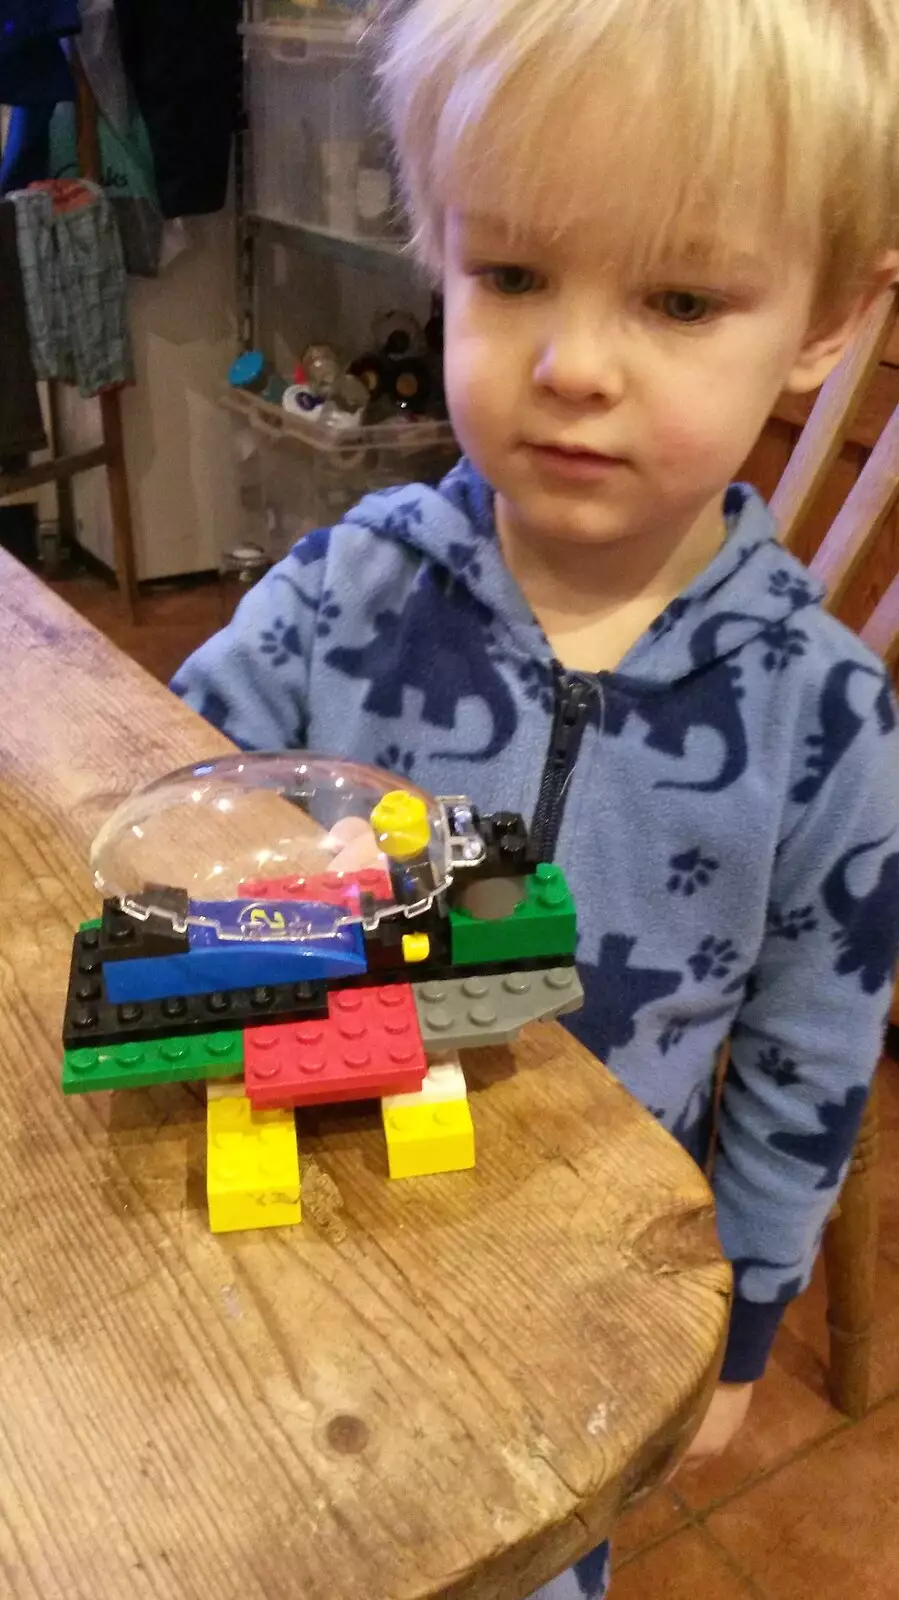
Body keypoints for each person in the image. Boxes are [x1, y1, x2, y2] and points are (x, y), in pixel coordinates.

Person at [172, 1, 899, 1592]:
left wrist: (743, 1320)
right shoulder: (340, 594)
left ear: (825, 322)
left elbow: (810, 1054)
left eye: (680, 296)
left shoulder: (824, 721)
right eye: (511, 276)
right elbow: (164, 791)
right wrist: (267, 852)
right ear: (438, 246)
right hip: (297, 1230)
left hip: (576, 1317)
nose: (573, 364)